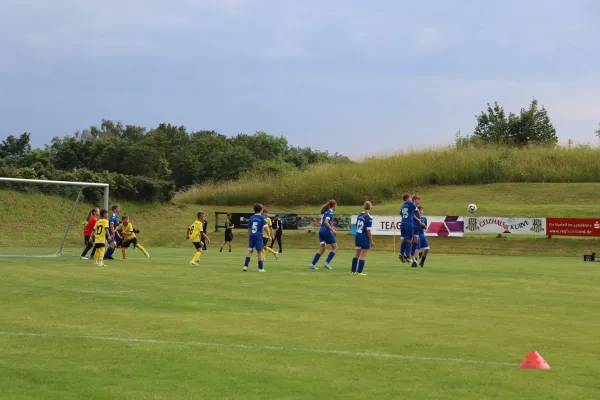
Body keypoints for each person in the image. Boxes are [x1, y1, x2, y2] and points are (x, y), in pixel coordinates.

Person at [309, 199, 338, 270]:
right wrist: (333, 230)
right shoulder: (330, 212)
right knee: (335, 248)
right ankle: (326, 263)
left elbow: (323, 222)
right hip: (326, 230)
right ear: (334, 205)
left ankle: (312, 265)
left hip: (321, 230)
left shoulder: (326, 212)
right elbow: (326, 222)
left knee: (322, 249)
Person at [399, 194, 425, 263]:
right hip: (409, 224)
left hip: (403, 223)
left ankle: (402, 254)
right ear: (409, 198)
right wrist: (419, 215)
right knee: (409, 240)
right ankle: (408, 255)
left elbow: (401, 214)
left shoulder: (403, 205)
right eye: (418, 199)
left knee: (408, 239)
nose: (419, 201)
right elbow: (414, 211)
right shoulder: (411, 203)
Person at [243, 203, 268, 272]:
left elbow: (249, 228)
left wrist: (249, 236)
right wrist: (269, 235)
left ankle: (245, 266)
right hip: (258, 236)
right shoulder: (262, 217)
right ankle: (261, 268)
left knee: (250, 251)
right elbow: (266, 227)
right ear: (261, 210)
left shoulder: (251, 217)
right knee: (259, 252)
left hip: (252, 236)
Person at [352, 201, 374, 275]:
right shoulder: (369, 217)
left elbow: (356, 225)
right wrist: (371, 241)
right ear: (370, 207)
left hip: (357, 235)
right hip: (363, 237)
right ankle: (359, 272)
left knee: (357, 253)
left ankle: (353, 270)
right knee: (363, 254)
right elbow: (368, 230)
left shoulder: (360, 215)